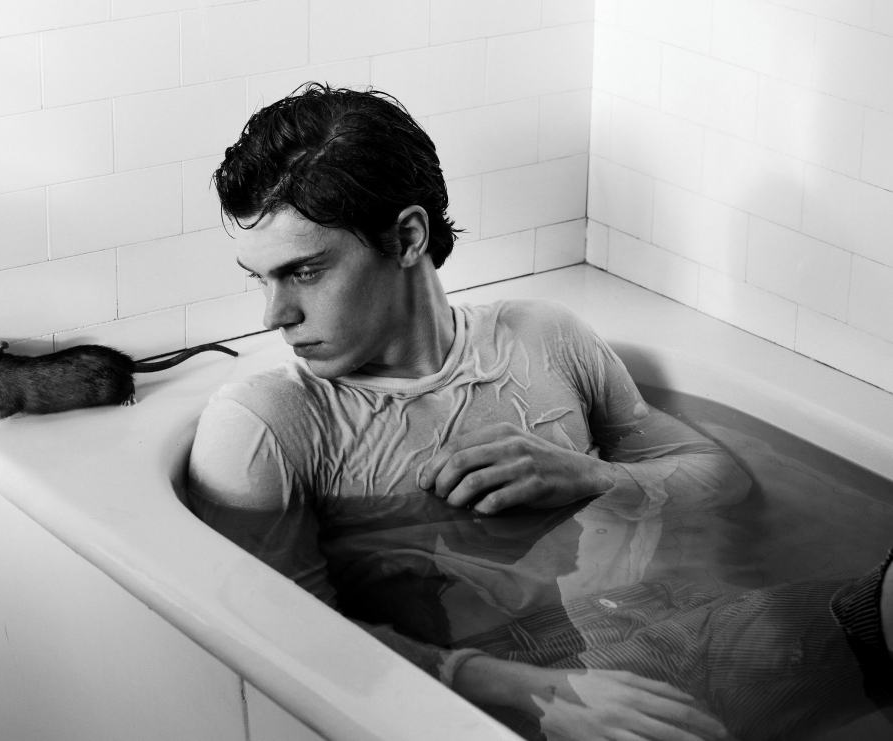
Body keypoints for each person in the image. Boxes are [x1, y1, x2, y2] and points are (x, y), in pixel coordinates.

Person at [188, 84, 893, 741]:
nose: (274, 315)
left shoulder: (541, 338)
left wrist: (593, 476)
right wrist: (517, 689)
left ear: (406, 238)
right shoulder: (268, 423)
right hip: (500, 680)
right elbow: (286, 637)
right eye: (261, 278)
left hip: (683, 618)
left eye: (305, 271)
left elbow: (721, 478)